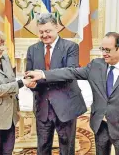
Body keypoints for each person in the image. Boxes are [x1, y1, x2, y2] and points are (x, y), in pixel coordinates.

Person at [26, 32, 119, 155]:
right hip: (100, 124)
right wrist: (43, 74)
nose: (104, 53)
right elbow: (70, 72)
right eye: (102, 49)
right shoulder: (96, 65)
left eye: (108, 50)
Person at [25, 13, 87, 155]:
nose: (44, 35)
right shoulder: (32, 50)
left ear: (57, 28)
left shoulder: (71, 47)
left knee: (66, 147)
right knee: (43, 146)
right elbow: (29, 73)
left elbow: (70, 72)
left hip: (65, 106)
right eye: (41, 32)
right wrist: (31, 84)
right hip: (43, 106)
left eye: (48, 31)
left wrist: (43, 75)